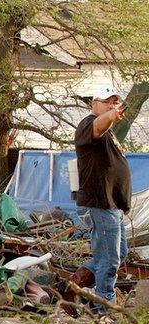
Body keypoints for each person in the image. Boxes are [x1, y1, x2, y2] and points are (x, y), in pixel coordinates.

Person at [74, 86, 131, 311]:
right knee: (109, 260)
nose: (111, 105)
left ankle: (76, 284)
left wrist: (123, 203)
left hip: (113, 206)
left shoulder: (108, 131)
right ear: (94, 103)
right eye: (107, 101)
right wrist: (111, 115)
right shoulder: (87, 125)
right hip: (100, 203)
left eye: (114, 102)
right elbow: (100, 124)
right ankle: (104, 309)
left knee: (118, 254)